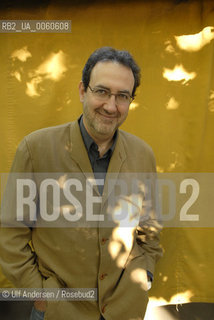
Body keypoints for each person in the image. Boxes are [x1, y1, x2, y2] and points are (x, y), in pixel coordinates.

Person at [0, 47, 162, 320]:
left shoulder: (143, 155)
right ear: (82, 91)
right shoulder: (35, 149)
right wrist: (42, 297)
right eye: (102, 91)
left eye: (123, 96)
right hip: (58, 313)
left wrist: (143, 278)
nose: (111, 106)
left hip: (125, 310)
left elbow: (150, 229)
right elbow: (10, 233)